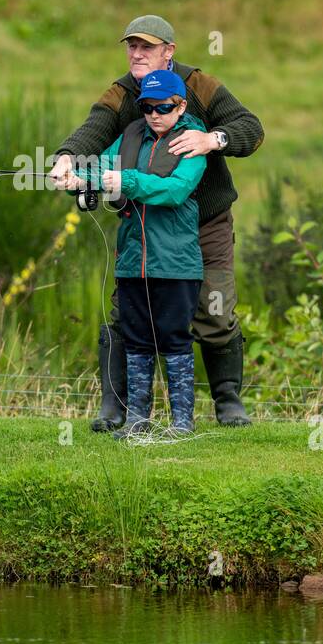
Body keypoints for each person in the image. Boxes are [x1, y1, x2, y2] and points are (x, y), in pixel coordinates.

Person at [50, 14, 264, 428]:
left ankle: (227, 402)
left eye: (146, 46)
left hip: (205, 221)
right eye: (131, 45)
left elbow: (250, 129)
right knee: (126, 314)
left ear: (169, 52)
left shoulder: (200, 86)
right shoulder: (124, 91)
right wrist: (67, 159)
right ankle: (115, 407)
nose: (136, 53)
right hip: (147, 227)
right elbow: (94, 130)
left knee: (214, 311)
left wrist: (211, 140)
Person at [68, 69, 206, 435]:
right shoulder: (131, 135)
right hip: (132, 262)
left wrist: (124, 180)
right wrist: (76, 174)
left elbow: (176, 190)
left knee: (174, 339)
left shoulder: (193, 142)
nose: (155, 115)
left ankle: (182, 423)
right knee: (137, 339)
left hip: (176, 265)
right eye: (147, 107)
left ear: (181, 106)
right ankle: (137, 421)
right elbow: (102, 165)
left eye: (163, 107)